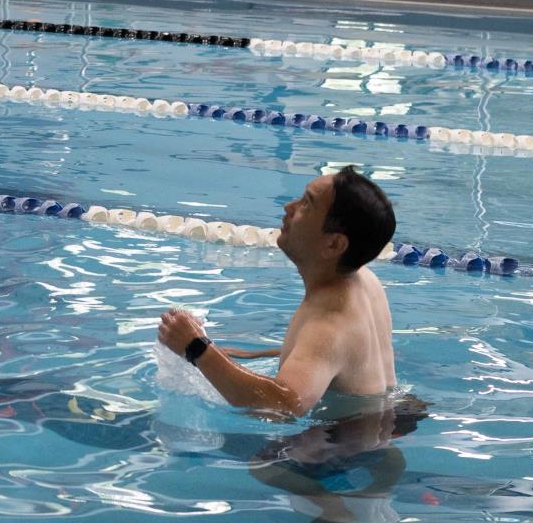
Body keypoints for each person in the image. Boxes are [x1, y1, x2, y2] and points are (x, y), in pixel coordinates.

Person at [158, 167, 397, 418]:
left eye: (306, 204)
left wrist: (197, 348)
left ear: (334, 244)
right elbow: (337, 360)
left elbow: (283, 405)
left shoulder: (329, 323)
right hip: (382, 422)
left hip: (338, 451)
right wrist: (253, 355)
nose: (289, 207)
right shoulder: (365, 281)